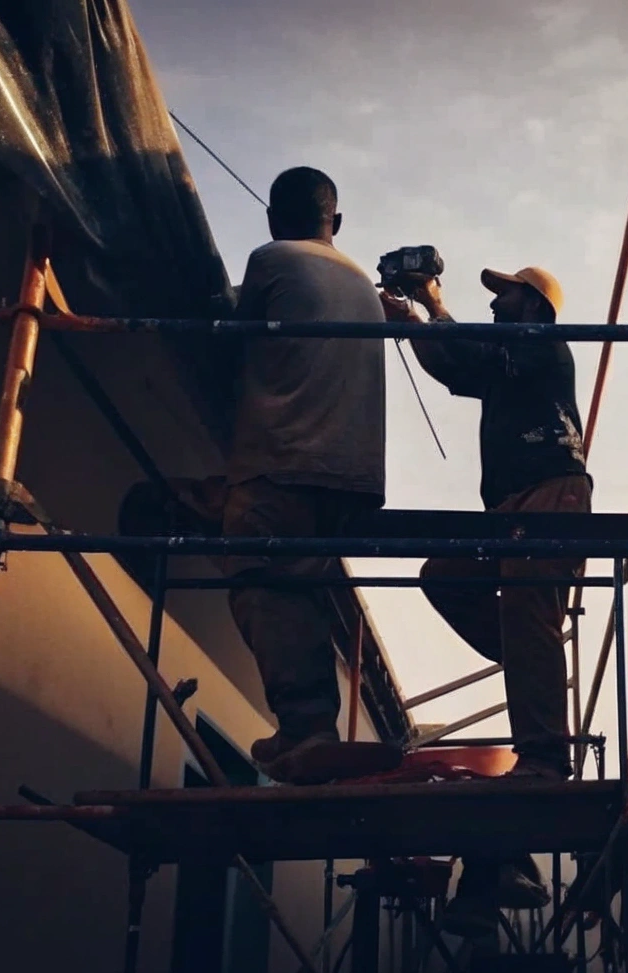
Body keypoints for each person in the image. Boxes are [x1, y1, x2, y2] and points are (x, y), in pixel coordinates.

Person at [380, 264, 590, 935]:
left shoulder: (540, 346)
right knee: (445, 576)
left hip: (551, 490)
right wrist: (416, 321)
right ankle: (534, 666)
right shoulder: (507, 361)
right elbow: (456, 365)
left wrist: (431, 305)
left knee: (529, 610)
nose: (497, 303)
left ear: (536, 304)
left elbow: (470, 351)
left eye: (507, 294)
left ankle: (546, 757)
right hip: (511, 504)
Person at [224, 166, 402, 785]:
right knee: (302, 583)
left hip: (285, 458)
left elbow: (231, 338)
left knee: (258, 578)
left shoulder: (271, 259)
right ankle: (311, 728)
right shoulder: (362, 283)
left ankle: (308, 728)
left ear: (273, 218)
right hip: (355, 476)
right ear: (337, 222)